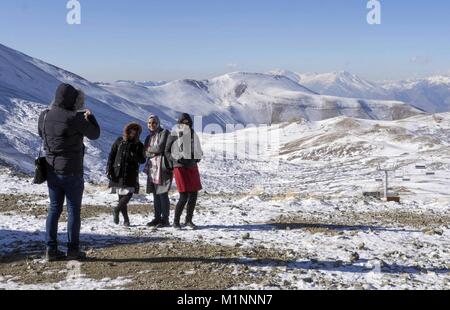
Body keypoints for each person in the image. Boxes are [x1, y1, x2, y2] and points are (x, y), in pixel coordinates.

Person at [38, 83, 100, 262]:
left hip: (51, 169)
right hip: (72, 171)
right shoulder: (74, 118)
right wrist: (91, 118)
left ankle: (51, 249)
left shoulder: (44, 115)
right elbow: (95, 134)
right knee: (73, 210)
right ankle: (73, 250)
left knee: (54, 209)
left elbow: (41, 134)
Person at [165, 113, 203, 229]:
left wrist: (197, 157)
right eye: (183, 122)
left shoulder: (193, 134)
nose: (185, 124)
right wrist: (176, 158)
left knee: (194, 195)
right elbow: (167, 151)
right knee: (184, 195)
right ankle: (176, 221)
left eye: (187, 122)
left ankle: (188, 220)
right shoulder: (174, 134)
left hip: (192, 166)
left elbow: (199, 150)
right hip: (180, 167)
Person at [107, 123, 146, 227]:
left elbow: (142, 160)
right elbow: (112, 155)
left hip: (131, 174)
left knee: (128, 194)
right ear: (127, 130)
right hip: (118, 173)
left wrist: (134, 156)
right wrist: (109, 170)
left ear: (138, 133)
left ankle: (116, 209)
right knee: (121, 198)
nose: (133, 133)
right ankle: (126, 220)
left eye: (135, 131)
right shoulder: (119, 141)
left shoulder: (139, 145)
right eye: (131, 130)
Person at [144, 115, 173, 228]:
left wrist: (149, 150)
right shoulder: (148, 137)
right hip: (152, 169)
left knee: (162, 194)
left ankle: (165, 219)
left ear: (158, 123)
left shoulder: (164, 133)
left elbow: (160, 148)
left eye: (154, 122)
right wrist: (151, 151)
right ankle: (157, 218)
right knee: (155, 195)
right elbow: (144, 153)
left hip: (163, 168)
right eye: (150, 123)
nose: (152, 125)